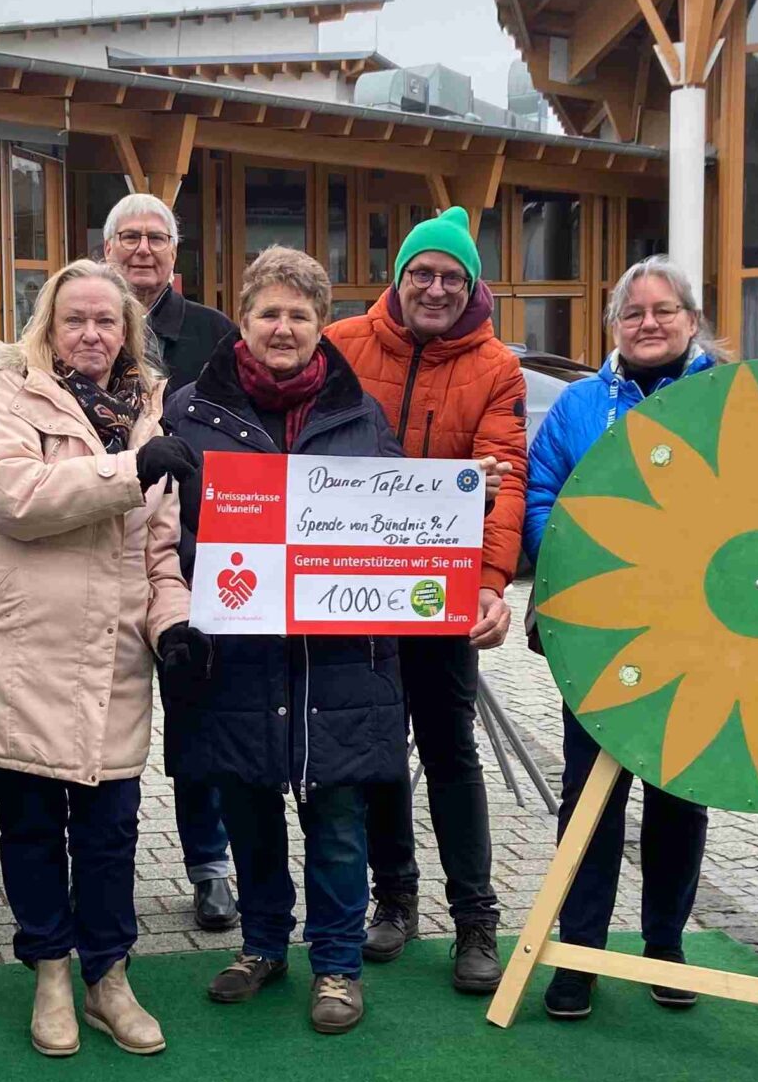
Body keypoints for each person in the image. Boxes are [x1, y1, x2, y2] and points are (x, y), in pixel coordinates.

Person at [0, 260, 196, 1056]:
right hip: (20, 650)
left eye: (106, 321)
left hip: (111, 652)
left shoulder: (152, 411)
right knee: (31, 824)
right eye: (74, 319)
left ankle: (109, 976)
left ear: (129, 331)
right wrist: (129, 470)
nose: (90, 333)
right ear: (47, 327)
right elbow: (16, 496)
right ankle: (50, 970)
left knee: (113, 827)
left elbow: (160, 547)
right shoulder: (7, 396)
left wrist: (175, 625)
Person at [160, 247, 406, 1035]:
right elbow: (167, 526)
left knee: (337, 816)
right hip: (235, 651)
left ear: (320, 324)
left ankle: (336, 965)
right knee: (249, 805)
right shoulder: (190, 411)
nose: (284, 327)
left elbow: (396, 530)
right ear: (244, 319)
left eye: (300, 314)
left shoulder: (361, 415)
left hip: (337, 656)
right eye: (269, 312)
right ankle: (263, 945)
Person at [324, 207, 526, 994]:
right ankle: (394, 899)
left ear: (471, 285)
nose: (435, 288)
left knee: (450, 753)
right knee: (376, 754)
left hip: (437, 595)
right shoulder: (343, 343)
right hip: (355, 589)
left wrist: (487, 585)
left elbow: (501, 480)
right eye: (422, 273)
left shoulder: (496, 367)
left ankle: (476, 917)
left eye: (451, 276)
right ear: (398, 279)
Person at [522, 257, 726, 1019]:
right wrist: (578, 567)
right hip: (598, 633)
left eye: (664, 310)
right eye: (633, 312)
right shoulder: (578, 405)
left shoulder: (725, 401)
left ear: (692, 320)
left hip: (704, 636)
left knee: (679, 791)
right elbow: (543, 493)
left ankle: (667, 947)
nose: (648, 323)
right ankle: (580, 952)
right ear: (613, 325)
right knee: (591, 795)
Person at [101, 192, 241, 933]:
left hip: (198, 558)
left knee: (197, 721)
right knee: (100, 719)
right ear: (106, 249)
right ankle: (100, 872)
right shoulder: (83, 323)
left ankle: (210, 867)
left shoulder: (216, 335)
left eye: (157, 237)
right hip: (99, 553)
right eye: (129, 237)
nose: (143, 249)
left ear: (175, 253)